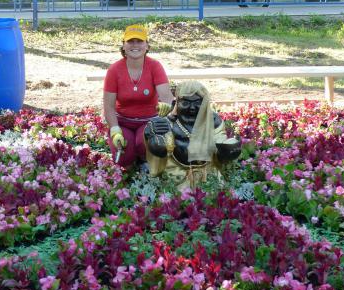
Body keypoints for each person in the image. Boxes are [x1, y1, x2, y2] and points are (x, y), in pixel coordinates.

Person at [144, 80, 241, 189]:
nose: (192, 108)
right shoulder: (167, 124)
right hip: (177, 176)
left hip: (209, 175)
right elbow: (158, 151)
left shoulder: (213, 121)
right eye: (185, 103)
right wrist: (154, 140)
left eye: (198, 103)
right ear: (177, 103)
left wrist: (227, 151)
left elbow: (219, 143)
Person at [103, 24, 174, 168]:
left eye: (140, 41)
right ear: (123, 46)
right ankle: (131, 159)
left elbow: (167, 97)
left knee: (144, 143)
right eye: (130, 41)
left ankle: (145, 159)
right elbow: (109, 107)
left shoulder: (155, 66)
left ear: (147, 45)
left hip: (148, 121)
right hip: (123, 122)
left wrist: (166, 109)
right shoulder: (114, 70)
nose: (135, 45)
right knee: (123, 157)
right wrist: (115, 130)